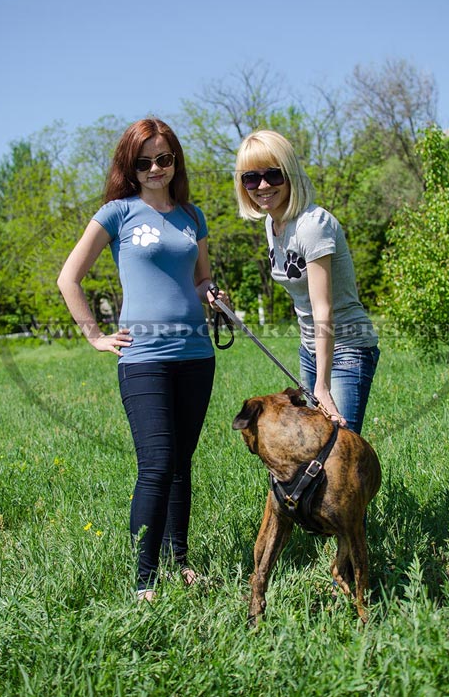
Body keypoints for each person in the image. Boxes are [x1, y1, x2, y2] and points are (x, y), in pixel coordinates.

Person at [58, 118, 227, 602]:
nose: (155, 168)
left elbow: (200, 280)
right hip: (144, 359)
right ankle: (144, 582)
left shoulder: (192, 216)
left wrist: (211, 294)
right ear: (130, 166)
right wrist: (94, 335)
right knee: (155, 464)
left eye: (164, 158)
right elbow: (69, 279)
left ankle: (180, 562)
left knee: (181, 464)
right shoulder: (116, 213)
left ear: (176, 160)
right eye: (144, 161)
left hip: (196, 354)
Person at [234, 130, 379, 435]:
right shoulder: (271, 223)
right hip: (310, 348)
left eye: (273, 175)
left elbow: (322, 308)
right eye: (251, 178)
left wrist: (322, 386)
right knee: (314, 442)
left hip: (347, 346)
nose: (262, 186)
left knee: (338, 443)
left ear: (290, 174)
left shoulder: (313, 225)